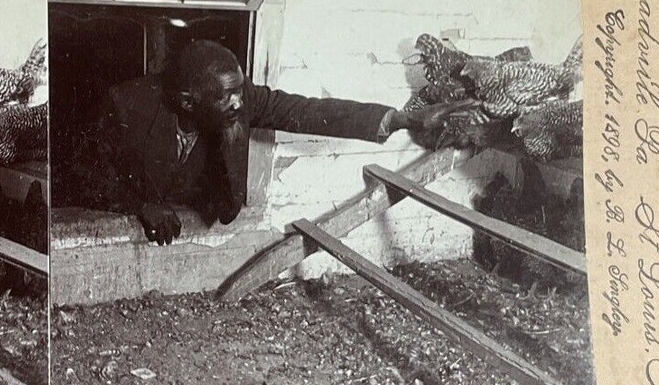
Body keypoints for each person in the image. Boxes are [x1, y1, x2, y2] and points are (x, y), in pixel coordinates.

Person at [79, 39, 457, 245]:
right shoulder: (128, 106)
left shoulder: (240, 99)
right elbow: (85, 175)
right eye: (226, 96)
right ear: (187, 102)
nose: (239, 103)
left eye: (240, 90)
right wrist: (143, 205)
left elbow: (307, 111)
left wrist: (399, 119)